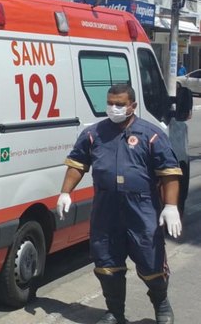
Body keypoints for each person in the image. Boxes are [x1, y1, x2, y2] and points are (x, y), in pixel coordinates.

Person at [56, 84, 182, 324]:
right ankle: (115, 311)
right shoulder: (94, 134)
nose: (114, 108)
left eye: (120, 104)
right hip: (106, 209)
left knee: (150, 260)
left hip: (142, 208)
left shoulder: (151, 135)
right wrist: (65, 192)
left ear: (132, 106)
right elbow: (77, 163)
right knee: (106, 263)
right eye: (110, 103)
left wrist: (171, 206)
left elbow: (169, 173)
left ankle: (161, 304)